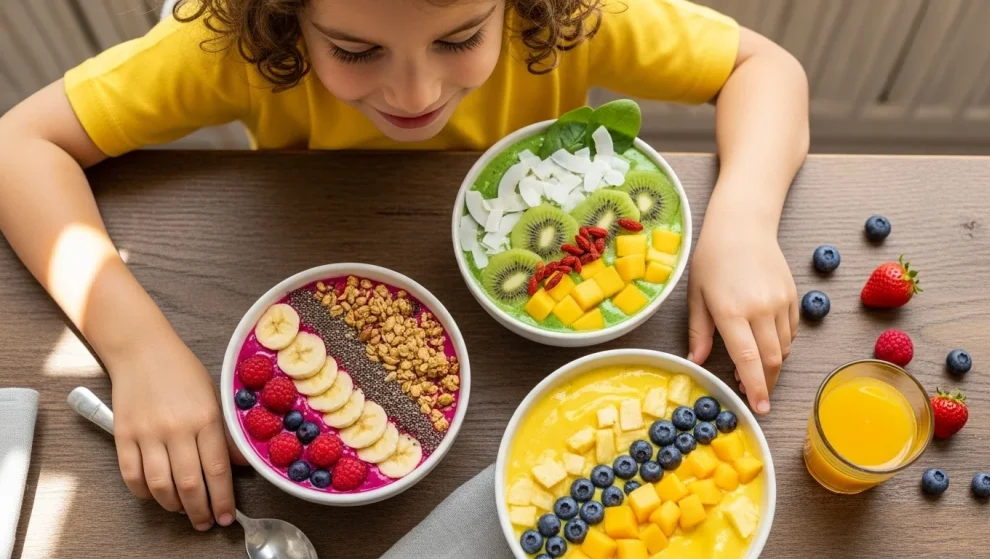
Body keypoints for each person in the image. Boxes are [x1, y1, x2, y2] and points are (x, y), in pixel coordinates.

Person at [0, 0, 807, 533]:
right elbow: (16, 145)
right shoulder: (224, 45)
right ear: (283, 20)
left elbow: (764, 68)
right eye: (355, 50)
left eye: (460, 39)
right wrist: (138, 349)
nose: (416, 89)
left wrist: (739, 221)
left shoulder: (568, 15)